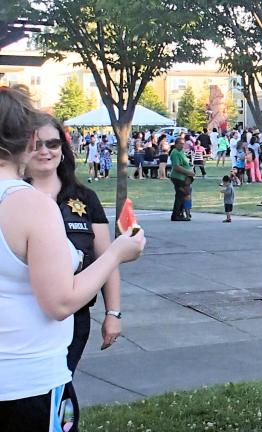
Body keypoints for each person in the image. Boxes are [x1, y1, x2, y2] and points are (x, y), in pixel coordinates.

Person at [0, 86, 145, 432]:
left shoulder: (70, 197)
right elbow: (60, 301)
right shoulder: (32, 205)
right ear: (28, 138)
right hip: (27, 384)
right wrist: (115, 254)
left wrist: (113, 310)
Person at [26, 115, 122, 374]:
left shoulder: (84, 197)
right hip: (25, 316)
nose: (45, 151)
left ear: (63, 149)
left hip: (75, 315)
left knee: (61, 383)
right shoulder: (14, 197)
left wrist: (113, 313)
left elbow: (107, 259)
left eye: (53, 144)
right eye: (36, 145)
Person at [169, 137, 194, 221]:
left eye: (183, 143)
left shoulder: (181, 152)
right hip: (178, 177)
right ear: (176, 144)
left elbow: (185, 161)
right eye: (180, 143)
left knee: (183, 195)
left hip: (184, 178)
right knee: (180, 195)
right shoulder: (175, 153)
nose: (182, 145)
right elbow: (176, 167)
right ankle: (175, 215)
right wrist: (188, 172)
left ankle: (180, 213)